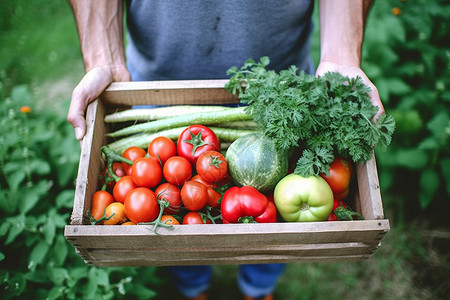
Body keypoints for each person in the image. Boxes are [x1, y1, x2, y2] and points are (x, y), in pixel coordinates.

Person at [67, 1, 384, 299]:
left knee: (279, 239)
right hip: (156, 91)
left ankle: (258, 288)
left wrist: (342, 56)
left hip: (281, 93)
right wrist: (103, 58)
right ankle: (193, 287)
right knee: (173, 241)